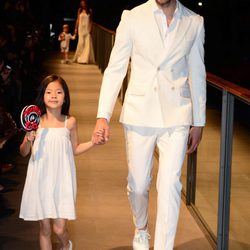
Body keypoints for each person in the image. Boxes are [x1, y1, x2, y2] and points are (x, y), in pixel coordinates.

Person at [92, 0, 206, 249]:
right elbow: (116, 68)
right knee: (139, 185)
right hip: (139, 112)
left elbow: (197, 72)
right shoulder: (132, 17)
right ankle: (141, 227)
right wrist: (103, 115)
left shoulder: (195, 22)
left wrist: (198, 121)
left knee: (170, 185)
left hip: (177, 113)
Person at [19, 75, 102, 250]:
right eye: (49, 92)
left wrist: (93, 143)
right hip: (40, 181)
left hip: (62, 180)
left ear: (65, 97)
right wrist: (28, 138)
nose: (53, 95)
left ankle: (66, 244)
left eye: (58, 92)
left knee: (59, 228)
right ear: (43, 96)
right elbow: (24, 152)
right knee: (45, 228)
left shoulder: (69, 122)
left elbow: (75, 149)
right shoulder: (35, 123)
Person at [72, 0, 95, 64]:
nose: (83, 4)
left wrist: (90, 28)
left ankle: (85, 59)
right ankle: (79, 58)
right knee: (81, 43)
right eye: (82, 3)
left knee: (87, 44)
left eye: (84, 3)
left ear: (86, 3)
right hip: (81, 29)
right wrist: (76, 28)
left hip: (87, 29)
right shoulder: (79, 10)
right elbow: (78, 19)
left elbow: (91, 21)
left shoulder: (90, 10)